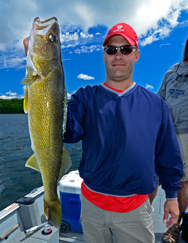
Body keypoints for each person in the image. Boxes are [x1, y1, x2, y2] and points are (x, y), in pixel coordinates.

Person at [23, 23, 183, 243]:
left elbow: (168, 154)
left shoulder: (156, 104)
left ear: (136, 54)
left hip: (135, 210)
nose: (118, 54)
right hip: (92, 208)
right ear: (104, 55)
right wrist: (37, 73)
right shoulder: (85, 97)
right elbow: (66, 133)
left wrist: (172, 197)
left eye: (125, 49)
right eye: (111, 49)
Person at [158, 37, 188, 243]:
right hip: (164, 131)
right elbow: (159, 99)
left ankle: (175, 227)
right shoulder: (173, 70)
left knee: (182, 181)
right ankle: (136, 219)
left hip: (186, 135)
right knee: (152, 175)